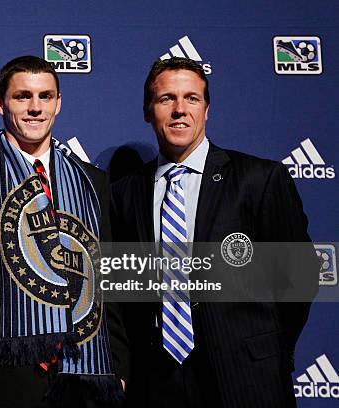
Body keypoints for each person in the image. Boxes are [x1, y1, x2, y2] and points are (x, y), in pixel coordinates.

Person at [111, 57, 318, 408]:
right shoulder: (125, 192)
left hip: (247, 376)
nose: (180, 110)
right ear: (148, 110)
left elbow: (298, 279)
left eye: (191, 98)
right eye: (166, 99)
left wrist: (262, 346)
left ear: (207, 110)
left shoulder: (259, 179)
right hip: (157, 380)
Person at [0, 56, 129, 408]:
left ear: (58, 103)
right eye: (23, 96)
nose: (35, 108)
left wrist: (119, 368)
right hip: (0, 377)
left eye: (45, 96)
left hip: (85, 375)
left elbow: (106, 285)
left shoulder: (92, 182)